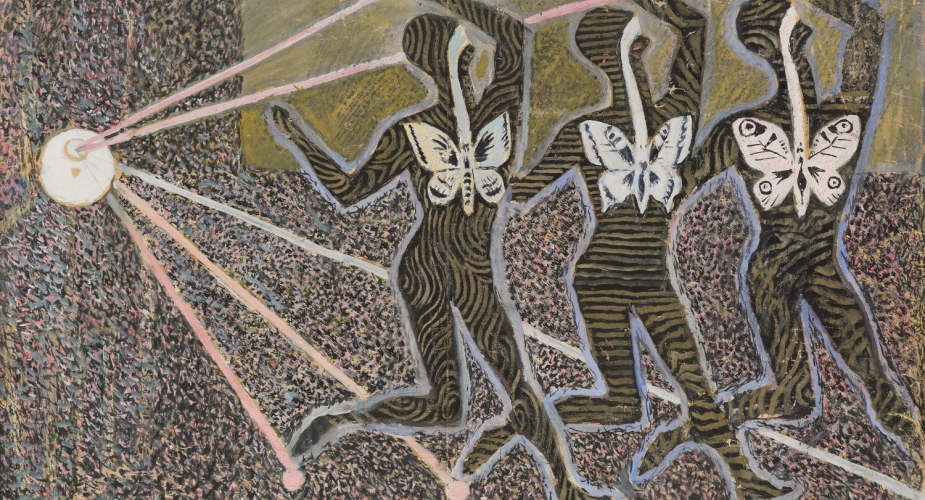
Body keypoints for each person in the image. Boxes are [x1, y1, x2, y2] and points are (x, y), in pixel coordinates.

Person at [270, 0, 597, 497]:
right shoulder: (434, 125)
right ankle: (341, 421)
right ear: (455, 60)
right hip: (427, 268)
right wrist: (301, 139)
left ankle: (563, 485)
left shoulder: (490, 112)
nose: (472, 60)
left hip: (468, 269)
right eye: (465, 53)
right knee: (466, 401)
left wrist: (301, 138)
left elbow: (515, 40)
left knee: (468, 402)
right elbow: (351, 191)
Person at [505, 2, 791, 498]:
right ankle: (525, 419)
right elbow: (695, 38)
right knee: (646, 400)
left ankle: (747, 484)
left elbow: (522, 189)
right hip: (609, 281)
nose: (642, 55)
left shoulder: (591, 129)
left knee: (673, 395)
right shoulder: (665, 117)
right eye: (638, 45)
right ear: (630, 51)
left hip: (625, 278)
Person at [703, 0, 925, 486]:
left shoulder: (833, 118)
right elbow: (868, 28)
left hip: (818, 267)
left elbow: (870, 29)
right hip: (774, 275)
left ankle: (917, 453)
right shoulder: (748, 129)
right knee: (798, 398)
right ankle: (707, 420)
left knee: (877, 383)